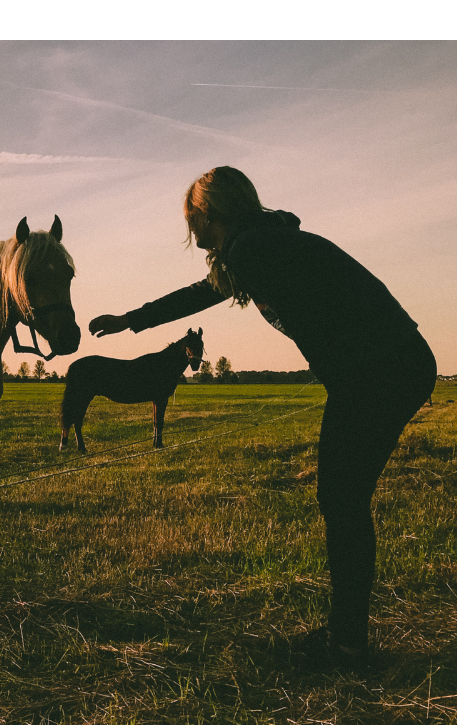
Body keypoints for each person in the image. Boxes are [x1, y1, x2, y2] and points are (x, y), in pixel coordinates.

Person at [90, 166, 436, 670]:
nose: (191, 231)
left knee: (341, 498)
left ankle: (347, 646)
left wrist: (132, 319)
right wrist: (133, 320)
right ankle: (347, 637)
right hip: (389, 364)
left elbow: (212, 294)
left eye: (193, 219)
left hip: (379, 370)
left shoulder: (254, 248)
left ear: (210, 214)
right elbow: (209, 291)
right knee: (343, 498)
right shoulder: (264, 241)